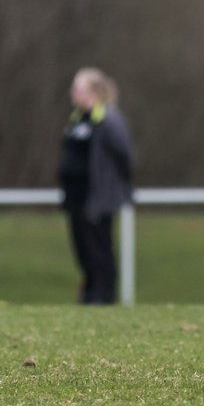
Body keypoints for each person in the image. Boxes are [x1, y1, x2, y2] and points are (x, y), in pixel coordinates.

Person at [57, 67, 135, 306]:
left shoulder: (108, 119)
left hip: (97, 198)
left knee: (99, 247)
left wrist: (113, 187)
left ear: (93, 91)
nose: (72, 92)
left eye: (77, 88)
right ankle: (90, 292)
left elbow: (125, 156)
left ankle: (104, 295)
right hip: (75, 197)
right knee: (82, 248)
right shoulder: (78, 118)